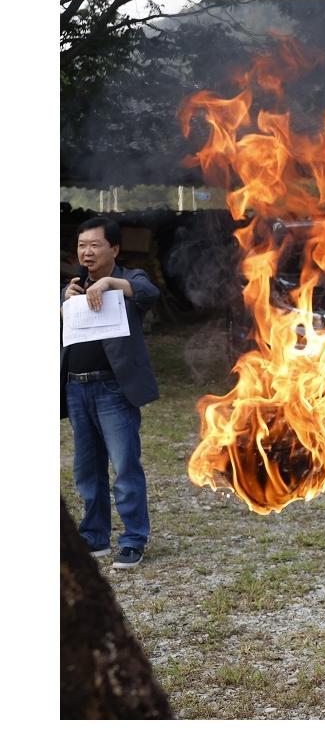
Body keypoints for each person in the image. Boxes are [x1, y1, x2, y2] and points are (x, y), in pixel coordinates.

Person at [60, 217, 160, 570]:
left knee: (125, 465)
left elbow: (150, 293)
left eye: (95, 245)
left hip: (112, 388)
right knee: (87, 469)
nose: (86, 252)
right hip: (76, 386)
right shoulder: (72, 287)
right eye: (81, 246)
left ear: (114, 249)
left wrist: (109, 283)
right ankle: (94, 536)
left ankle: (133, 539)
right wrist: (64, 300)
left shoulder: (130, 281)